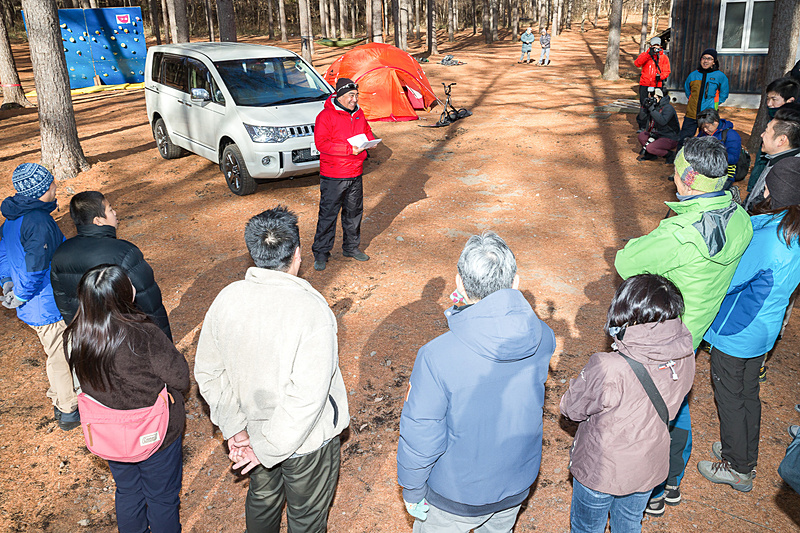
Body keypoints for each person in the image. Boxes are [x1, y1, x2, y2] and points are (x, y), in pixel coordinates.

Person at [615, 136, 753, 516]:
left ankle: (656, 489)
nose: (672, 176)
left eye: (675, 171)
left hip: (663, 335)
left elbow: (627, 262)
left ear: (689, 177)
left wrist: (651, 237)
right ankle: (672, 482)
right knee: (676, 402)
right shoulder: (740, 217)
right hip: (697, 327)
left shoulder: (680, 234)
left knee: (655, 411)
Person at [195, 206, 349, 533]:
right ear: (297, 254)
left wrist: (236, 428)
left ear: (254, 254)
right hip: (307, 444)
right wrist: (264, 447)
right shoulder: (312, 311)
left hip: (251, 429)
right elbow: (306, 398)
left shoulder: (226, 299)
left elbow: (209, 373)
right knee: (306, 519)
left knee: (263, 500)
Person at [397, 232, 555, 532]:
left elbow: (422, 431)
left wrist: (413, 488)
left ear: (459, 283)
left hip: (454, 494)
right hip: (514, 483)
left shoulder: (437, 355)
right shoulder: (543, 336)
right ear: (516, 282)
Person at [561, 274, 694, 533]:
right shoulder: (685, 354)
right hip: (649, 465)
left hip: (601, 471)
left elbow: (571, 408)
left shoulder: (610, 366)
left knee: (587, 527)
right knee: (630, 522)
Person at [700, 158, 800, 492]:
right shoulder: (793, 230)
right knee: (747, 393)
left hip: (739, 329)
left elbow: (729, 279)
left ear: (780, 190)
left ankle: (737, 468)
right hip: (765, 328)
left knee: (729, 395)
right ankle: (743, 454)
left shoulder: (771, 238)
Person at [64, 264, 189, 532]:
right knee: (162, 498)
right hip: (156, 433)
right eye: (128, 283)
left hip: (109, 433)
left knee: (128, 492)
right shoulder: (143, 334)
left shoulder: (74, 335)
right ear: (124, 295)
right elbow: (180, 378)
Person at [0, 163, 79, 431]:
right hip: (46, 303)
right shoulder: (38, 222)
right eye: (51, 184)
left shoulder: (13, 220)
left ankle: (58, 398)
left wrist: (7, 282)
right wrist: (20, 294)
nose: (55, 186)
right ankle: (68, 409)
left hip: (33, 303)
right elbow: (36, 267)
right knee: (60, 355)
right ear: (39, 192)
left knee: (54, 353)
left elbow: (3, 254)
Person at [50, 191, 171, 340]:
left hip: (91, 341)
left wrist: (80, 336)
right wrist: (163, 341)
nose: (115, 213)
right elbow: (150, 303)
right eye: (110, 209)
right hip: (126, 339)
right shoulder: (125, 252)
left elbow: (64, 303)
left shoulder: (60, 253)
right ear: (98, 221)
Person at [312, 77, 376, 271]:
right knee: (328, 215)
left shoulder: (359, 114)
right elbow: (321, 144)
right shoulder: (325, 116)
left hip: (355, 172)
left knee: (354, 213)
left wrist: (371, 142)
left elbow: (368, 132)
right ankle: (321, 253)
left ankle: (351, 248)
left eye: (356, 95)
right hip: (334, 175)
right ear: (340, 96)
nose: (354, 99)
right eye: (350, 95)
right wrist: (349, 149)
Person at [744, 103, 800, 213]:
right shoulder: (777, 159)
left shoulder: (787, 173)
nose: (762, 135)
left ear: (781, 140)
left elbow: (767, 212)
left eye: (766, 131)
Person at [747, 78, 800, 193]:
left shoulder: (792, 125)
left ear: (790, 100)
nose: (769, 104)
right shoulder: (773, 118)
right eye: (768, 99)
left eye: (774, 99)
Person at [678, 48, 729, 147]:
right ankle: (680, 160)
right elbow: (688, 90)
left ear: (714, 62)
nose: (706, 61)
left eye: (709, 59)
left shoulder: (720, 76)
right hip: (691, 114)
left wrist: (715, 102)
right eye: (704, 58)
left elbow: (724, 93)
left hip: (708, 115)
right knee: (684, 139)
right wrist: (692, 101)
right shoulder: (693, 75)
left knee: (704, 142)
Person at [696, 108, 742, 188]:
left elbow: (733, 158)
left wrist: (711, 154)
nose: (705, 130)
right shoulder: (703, 133)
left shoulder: (731, 135)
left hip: (724, 174)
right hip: (705, 170)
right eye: (703, 127)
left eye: (707, 127)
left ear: (716, 121)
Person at [636, 87, 680, 161]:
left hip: (670, 137)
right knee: (642, 136)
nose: (652, 99)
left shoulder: (668, 108)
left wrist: (651, 109)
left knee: (650, 148)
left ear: (660, 97)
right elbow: (642, 118)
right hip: (657, 134)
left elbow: (662, 121)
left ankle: (669, 154)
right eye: (651, 96)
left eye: (655, 97)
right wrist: (644, 107)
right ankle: (651, 155)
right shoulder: (654, 106)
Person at [634, 37, 670, 105]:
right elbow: (637, 64)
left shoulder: (664, 57)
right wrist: (648, 55)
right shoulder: (644, 55)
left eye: (657, 45)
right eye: (654, 45)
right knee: (644, 104)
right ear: (650, 46)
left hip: (657, 84)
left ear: (660, 46)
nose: (655, 47)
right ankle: (644, 115)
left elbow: (667, 71)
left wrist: (660, 77)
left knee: (656, 105)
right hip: (644, 84)